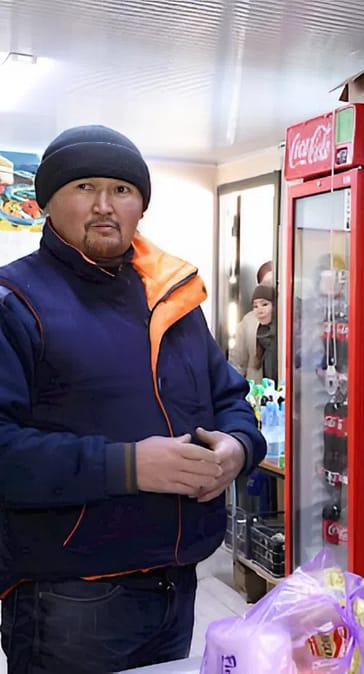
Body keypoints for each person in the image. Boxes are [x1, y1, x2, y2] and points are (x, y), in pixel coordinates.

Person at [0, 125, 267, 673]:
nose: (104, 205)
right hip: (68, 597)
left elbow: (230, 396)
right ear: (46, 202)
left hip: (177, 584)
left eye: (121, 190)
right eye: (84, 187)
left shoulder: (171, 297)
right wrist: (130, 466)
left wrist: (237, 449)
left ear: (140, 206)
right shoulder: (16, 302)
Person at [230, 283, 277, 383]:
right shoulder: (248, 322)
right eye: (255, 306)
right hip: (255, 386)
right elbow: (237, 361)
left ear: (274, 305)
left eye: (264, 304)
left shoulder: (284, 325)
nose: (260, 310)